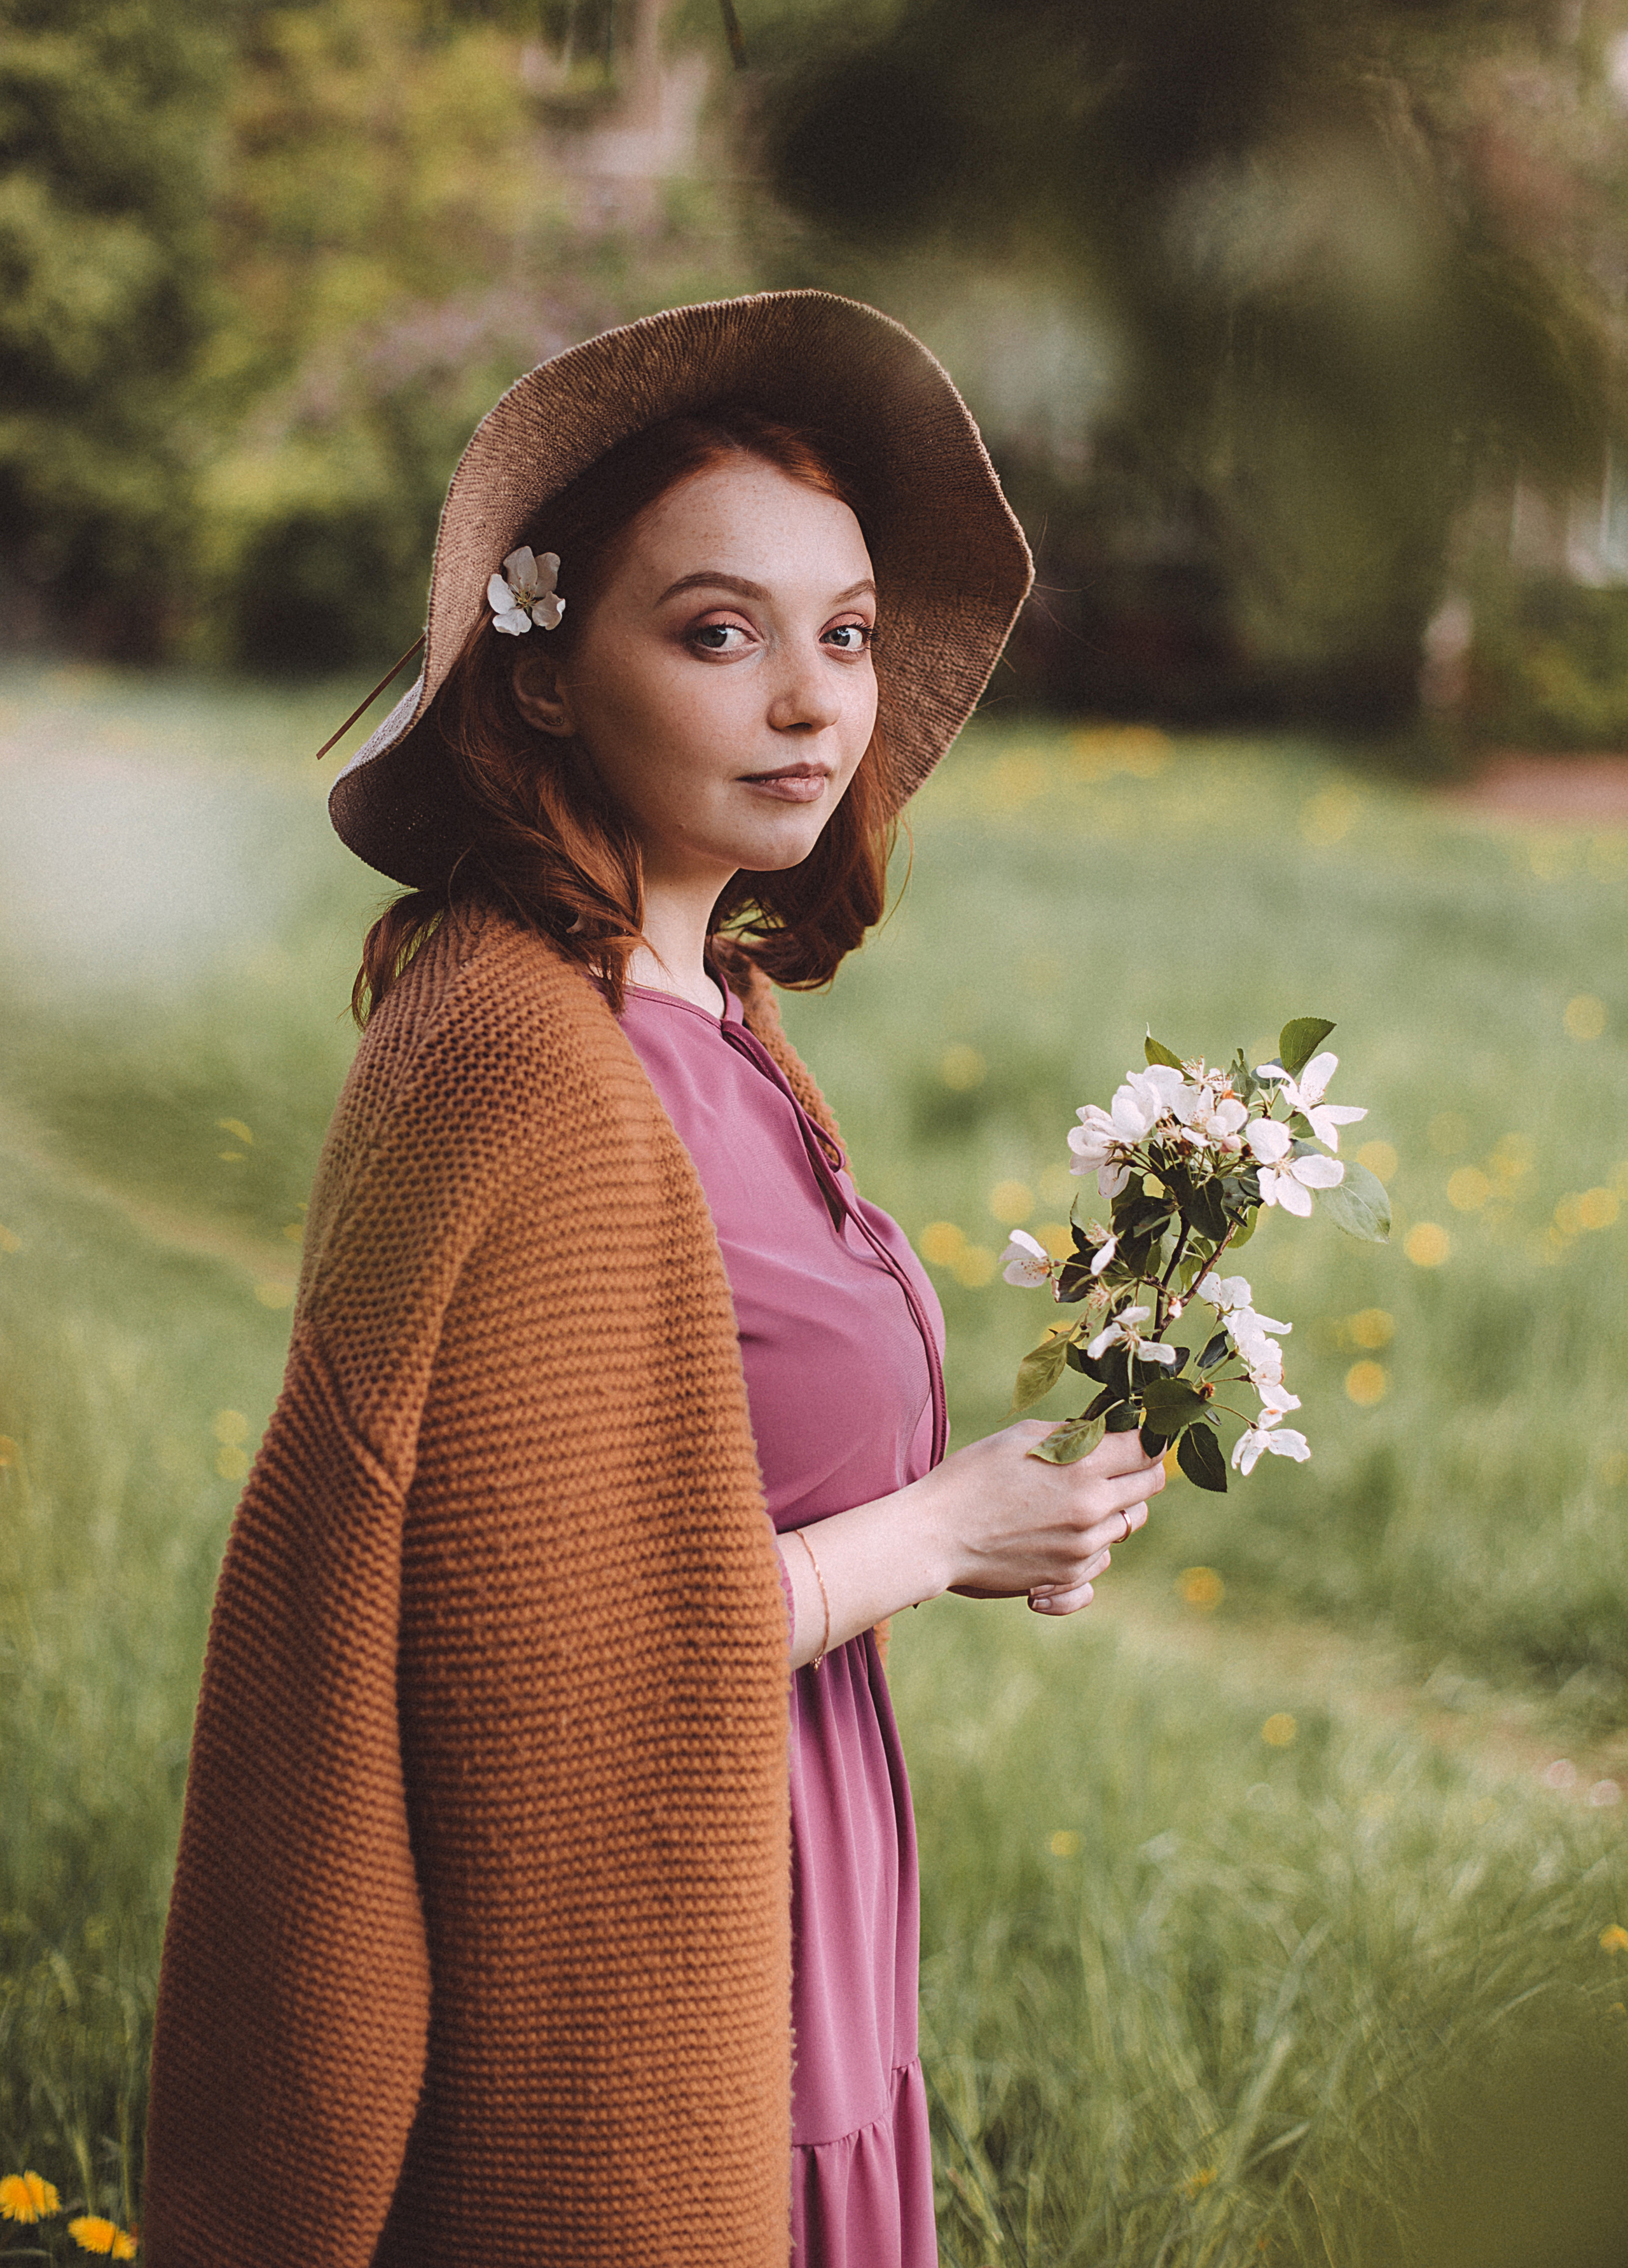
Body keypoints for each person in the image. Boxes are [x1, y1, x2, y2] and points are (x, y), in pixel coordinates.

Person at [141, 292, 1165, 2268]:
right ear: (540, 678)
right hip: (626, 1958)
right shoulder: (529, 1059)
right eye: (720, 633)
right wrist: (940, 1530)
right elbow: (532, 1651)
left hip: (795, 1893)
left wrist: (1005, 1517)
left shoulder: (716, 1012)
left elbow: (713, 1487)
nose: (811, 701)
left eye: (845, 634)